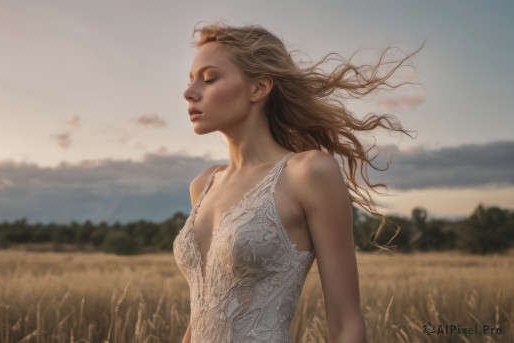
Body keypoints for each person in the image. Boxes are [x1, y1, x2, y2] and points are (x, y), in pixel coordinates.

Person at [173, 22, 420, 343]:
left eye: (208, 79)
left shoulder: (308, 173)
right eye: (191, 80)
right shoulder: (203, 184)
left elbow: (346, 324)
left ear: (259, 88)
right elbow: (201, 317)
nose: (189, 92)